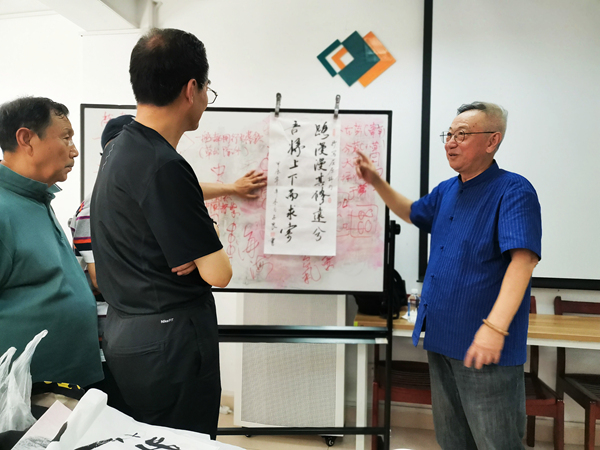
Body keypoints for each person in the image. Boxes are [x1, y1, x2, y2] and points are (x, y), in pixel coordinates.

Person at [355, 102, 542, 449]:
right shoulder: (446, 190)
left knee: (495, 441)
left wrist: (494, 329)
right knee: (452, 439)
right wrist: (377, 182)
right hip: (441, 336)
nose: (451, 142)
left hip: (484, 342)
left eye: (462, 135)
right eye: (449, 134)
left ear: (492, 141)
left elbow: (524, 260)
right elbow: (411, 212)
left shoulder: (513, 190)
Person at [91, 28, 234, 438]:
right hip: (169, 344)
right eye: (207, 89)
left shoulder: (119, 146)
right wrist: (204, 233)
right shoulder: (164, 164)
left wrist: (191, 246)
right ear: (191, 89)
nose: (206, 99)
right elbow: (219, 272)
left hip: (129, 333)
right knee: (182, 441)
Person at [0, 96, 103, 388]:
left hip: (66, 384)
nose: (74, 150)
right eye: (66, 137)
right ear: (26, 139)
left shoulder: (37, 199)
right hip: (26, 394)